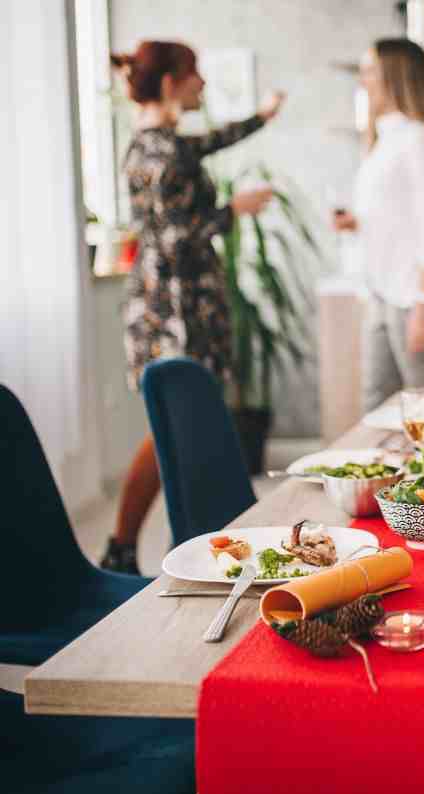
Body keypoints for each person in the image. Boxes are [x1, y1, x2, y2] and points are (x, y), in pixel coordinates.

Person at [101, 41, 283, 574]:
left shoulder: (154, 144)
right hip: (175, 308)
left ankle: (161, 545)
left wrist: (262, 117)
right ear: (169, 83)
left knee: (179, 425)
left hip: (169, 303)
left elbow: (207, 143)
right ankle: (127, 545)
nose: (202, 83)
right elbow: (176, 237)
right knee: (172, 426)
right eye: (194, 74)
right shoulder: (165, 152)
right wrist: (233, 209)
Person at [332, 39, 424, 412]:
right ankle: (382, 473)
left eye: (370, 71)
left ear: (394, 77)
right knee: (378, 402)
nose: (363, 81)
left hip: (414, 296)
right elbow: (394, 215)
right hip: (383, 291)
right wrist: (357, 223)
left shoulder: (419, 139)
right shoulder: (385, 140)